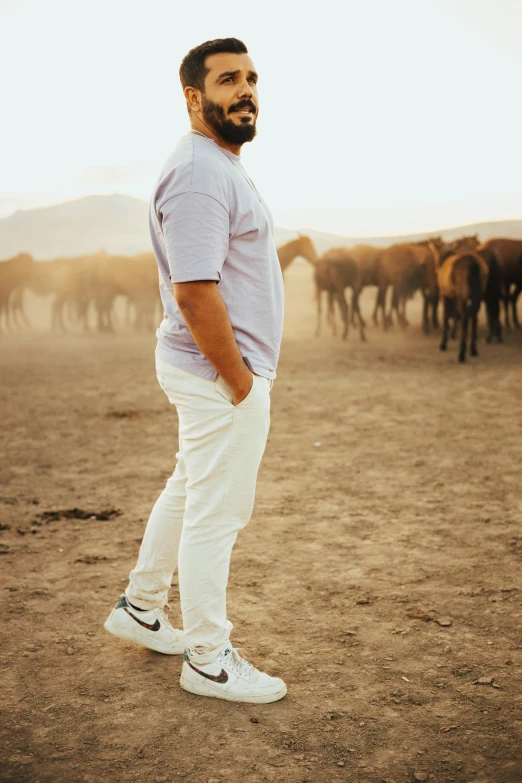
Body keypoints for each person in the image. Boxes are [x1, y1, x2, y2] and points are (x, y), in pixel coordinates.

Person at [104, 38, 286, 704]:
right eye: (227, 79)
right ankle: (209, 658)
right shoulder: (201, 170)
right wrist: (240, 382)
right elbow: (194, 289)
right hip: (217, 374)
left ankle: (143, 606)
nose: (245, 90)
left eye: (251, 78)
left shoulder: (216, 163)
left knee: (190, 487)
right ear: (193, 96)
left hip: (210, 371)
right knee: (217, 512)